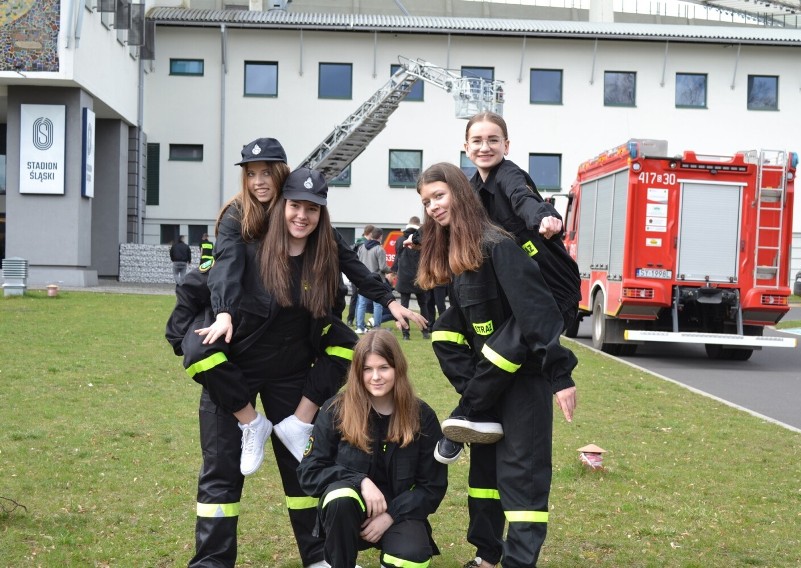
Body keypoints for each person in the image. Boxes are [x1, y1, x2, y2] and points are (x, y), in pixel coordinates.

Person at [199, 141, 426, 466]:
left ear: (283, 177)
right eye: (251, 174)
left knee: (347, 344)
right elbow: (226, 265)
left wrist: (389, 302)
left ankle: (300, 422)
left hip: (294, 328)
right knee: (199, 351)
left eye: (267, 173)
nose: (259, 181)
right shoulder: (238, 214)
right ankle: (251, 423)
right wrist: (223, 311)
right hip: (245, 322)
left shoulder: (302, 211)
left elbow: (352, 264)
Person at [416, 162, 578, 568]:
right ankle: (487, 555)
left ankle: (517, 562)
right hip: (490, 387)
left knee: (522, 478)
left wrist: (560, 375)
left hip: (524, 382)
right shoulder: (457, 249)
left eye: (439, 195)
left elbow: (536, 310)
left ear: (459, 192)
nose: (433, 206)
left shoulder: (498, 244)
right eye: (426, 201)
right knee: (485, 479)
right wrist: (473, 385)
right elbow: (460, 322)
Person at [297, 329, 448, 568]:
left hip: (399, 512)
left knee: (410, 558)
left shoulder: (421, 415)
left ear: (398, 368)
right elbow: (309, 472)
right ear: (357, 373)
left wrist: (391, 516)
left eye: (384, 368)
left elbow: (432, 486)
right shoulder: (335, 410)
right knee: (340, 496)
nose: (375, 377)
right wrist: (360, 481)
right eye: (367, 369)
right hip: (347, 514)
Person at [464, 111, 582, 335]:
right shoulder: (472, 190)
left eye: (493, 140)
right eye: (477, 141)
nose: (485, 147)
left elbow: (523, 198)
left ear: (506, 146)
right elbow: (452, 216)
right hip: (517, 293)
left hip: (552, 292)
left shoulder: (510, 176)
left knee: (509, 356)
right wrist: (419, 237)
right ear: (467, 147)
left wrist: (544, 218)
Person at [391, 216, 431, 340]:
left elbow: (397, 257)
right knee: (423, 304)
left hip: (404, 276)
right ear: (418, 225)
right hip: (419, 276)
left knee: (404, 305)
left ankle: (405, 334)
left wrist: (394, 271)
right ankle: (425, 331)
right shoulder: (422, 239)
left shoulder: (399, 240)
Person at [354, 227, 390, 334]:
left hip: (363, 279)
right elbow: (383, 267)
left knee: (361, 304)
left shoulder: (361, 247)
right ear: (380, 237)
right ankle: (376, 328)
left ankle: (360, 327)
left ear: (371, 235)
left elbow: (358, 262)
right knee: (377, 304)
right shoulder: (379, 249)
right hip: (376, 280)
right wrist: (391, 270)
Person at [346, 225, 375, 327]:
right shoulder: (365, 244)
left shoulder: (357, 242)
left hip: (353, 274)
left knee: (354, 298)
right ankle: (359, 322)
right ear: (370, 233)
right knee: (360, 299)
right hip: (361, 274)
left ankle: (350, 319)